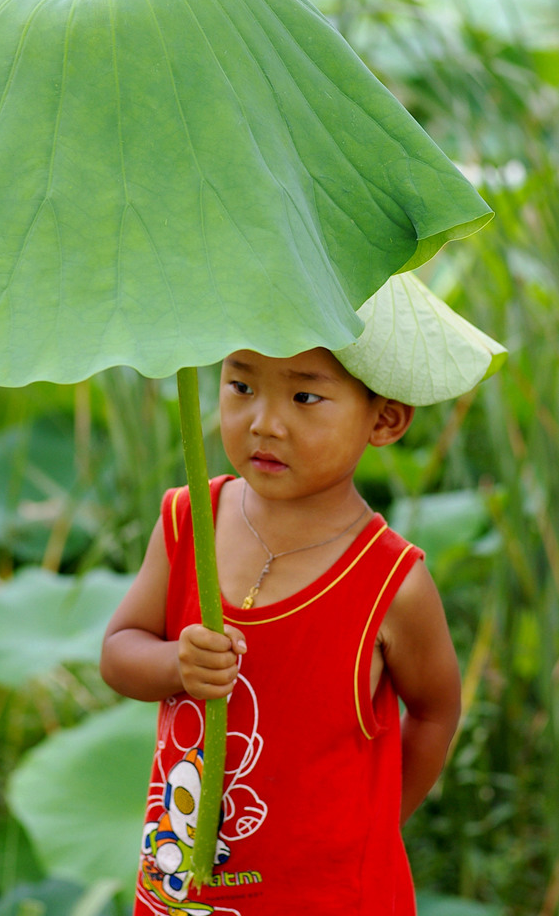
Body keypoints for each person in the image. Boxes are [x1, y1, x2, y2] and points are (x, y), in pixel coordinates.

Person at [101, 335, 464, 916]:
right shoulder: (187, 520)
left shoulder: (391, 580)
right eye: (241, 386)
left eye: (304, 396)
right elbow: (119, 653)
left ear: (386, 420)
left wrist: (373, 828)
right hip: (186, 888)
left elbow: (434, 711)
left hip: (330, 897)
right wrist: (176, 664)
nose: (264, 424)